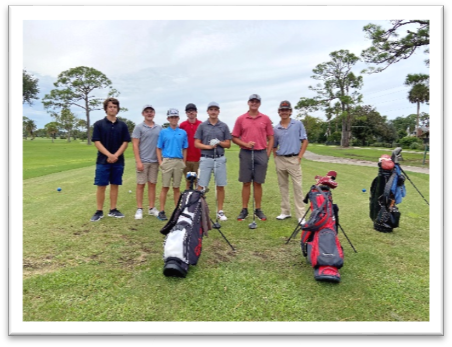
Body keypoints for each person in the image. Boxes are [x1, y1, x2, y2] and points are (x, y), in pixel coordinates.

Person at [231, 94, 274, 221]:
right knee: (246, 182)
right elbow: (234, 137)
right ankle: (244, 209)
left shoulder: (265, 118)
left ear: (259, 103)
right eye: (252, 101)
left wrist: (268, 153)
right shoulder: (241, 119)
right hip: (246, 152)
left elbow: (271, 137)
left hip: (261, 152)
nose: (254, 103)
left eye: (257, 101)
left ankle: (258, 209)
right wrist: (245, 144)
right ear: (248, 103)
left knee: (258, 183)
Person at [90, 97, 131, 222]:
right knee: (101, 185)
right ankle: (99, 211)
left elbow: (125, 142)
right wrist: (109, 155)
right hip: (103, 161)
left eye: (114, 107)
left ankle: (113, 209)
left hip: (118, 161)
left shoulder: (123, 125)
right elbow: (97, 142)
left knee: (115, 185)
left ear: (117, 109)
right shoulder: (99, 124)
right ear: (106, 109)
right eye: (110, 107)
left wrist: (115, 155)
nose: (112, 109)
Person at [272, 100, 309, 224]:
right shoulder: (275, 128)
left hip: (294, 159)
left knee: (297, 187)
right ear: (279, 112)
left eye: (286, 110)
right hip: (280, 159)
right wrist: (275, 157)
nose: (284, 112)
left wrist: (300, 156)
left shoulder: (298, 124)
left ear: (290, 112)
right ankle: (285, 212)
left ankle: (301, 215)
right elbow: (274, 145)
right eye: (282, 110)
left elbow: (305, 140)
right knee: (283, 187)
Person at [194, 102, 232, 221]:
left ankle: (220, 211)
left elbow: (228, 144)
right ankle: (198, 210)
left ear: (218, 111)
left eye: (215, 109)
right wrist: (208, 147)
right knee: (201, 186)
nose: (213, 112)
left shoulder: (224, 126)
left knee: (220, 185)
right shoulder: (202, 126)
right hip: (206, 158)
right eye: (211, 109)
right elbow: (196, 143)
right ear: (208, 112)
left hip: (219, 158)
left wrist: (219, 143)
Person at [156, 108, 188, 221]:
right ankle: (162, 211)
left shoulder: (183, 132)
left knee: (176, 188)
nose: (174, 119)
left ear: (178, 118)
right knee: (165, 187)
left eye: (175, 117)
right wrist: (161, 162)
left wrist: (184, 161)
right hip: (167, 160)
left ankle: (177, 211)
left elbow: (185, 148)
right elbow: (158, 148)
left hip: (178, 161)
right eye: (171, 117)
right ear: (168, 119)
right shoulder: (164, 132)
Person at [131, 104, 162, 220]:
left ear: (154, 113)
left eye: (151, 111)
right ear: (143, 114)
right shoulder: (139, 127)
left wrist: (160, 160)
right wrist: (138, 161)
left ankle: (152, 208)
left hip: (155, 161)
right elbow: (135, 145)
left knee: (152, 184)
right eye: (147, 111)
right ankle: (139, 209)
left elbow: (161, 145)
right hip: (143, 160)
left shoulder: (159, 128)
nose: (149, 113)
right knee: (140, 185)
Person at [179, 103, 202, 190]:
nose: (191, 113)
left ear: (196, 112)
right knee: (188, 182)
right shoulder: (182, 125)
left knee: (198, 182)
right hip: (186, 158)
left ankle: (198, 201)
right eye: (189, 111)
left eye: (192, 111)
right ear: (186, 113)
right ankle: (188, 201)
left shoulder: (201, 125)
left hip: (198, 159)